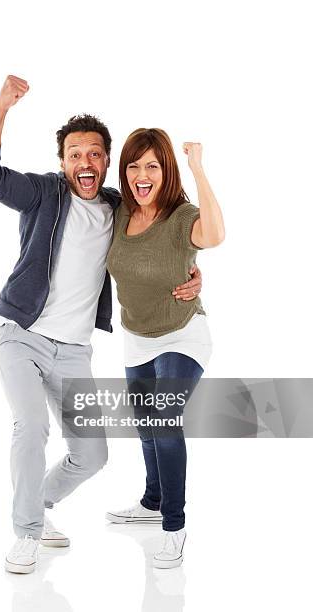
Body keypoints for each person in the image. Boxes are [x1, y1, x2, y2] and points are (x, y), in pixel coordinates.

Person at [0, 75, 203, 574]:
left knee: (92, 455)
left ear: (106, 160)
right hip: (19, 335)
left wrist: (193, 274)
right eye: (75, 154)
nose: (85, 163)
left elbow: (166, 235)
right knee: (30, 426)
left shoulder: (120, 207)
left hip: (74, 351)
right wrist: (2, 105)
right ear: (63, 162)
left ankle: (38, 507)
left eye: (95, 154)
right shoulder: (41, 194)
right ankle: (26, 532)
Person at [105, 128, 225, 568]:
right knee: (144, 422)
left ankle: (173, 526)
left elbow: (213, 236)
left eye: (152, 165)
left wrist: (198, 167)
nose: (142, 174)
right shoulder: (119, 211)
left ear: (166, 171)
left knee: (163, 417)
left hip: (183, 333)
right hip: (137, 336)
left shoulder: (180, 216)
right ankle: (152, 501)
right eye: (134, 165)